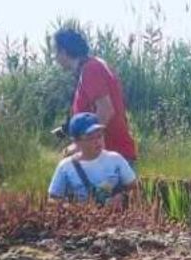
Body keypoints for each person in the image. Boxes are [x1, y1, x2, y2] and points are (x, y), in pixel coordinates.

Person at [54, 28, 138, 164]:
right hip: (109, 155)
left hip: (111, 157)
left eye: (56, 52)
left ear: (64, 52)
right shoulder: (93, 66)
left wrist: (80, 144)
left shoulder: (90, 70)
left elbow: (106, 110)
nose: (55, 58)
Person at [48, 112, 139, 206]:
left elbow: (135, 189)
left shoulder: (115, 160)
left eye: (99, 136)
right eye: (90, 138)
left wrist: (123, 198)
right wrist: (72, 208)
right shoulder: (65, 166)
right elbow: (52, 199)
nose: (97, 141)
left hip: (115, 216)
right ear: (76, 141)